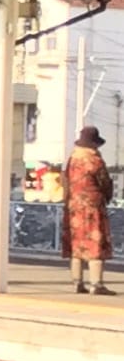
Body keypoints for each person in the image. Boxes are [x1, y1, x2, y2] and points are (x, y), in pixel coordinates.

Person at [64, 122, 112, 296]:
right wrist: (106, 197)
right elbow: (105, 183)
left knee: (76, 244)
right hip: (93, 207)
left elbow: (66, 181)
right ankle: (96, 284)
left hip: (74, 207)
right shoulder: (95, 160)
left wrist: (68, 199)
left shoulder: (72, 160)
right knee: (95, 244)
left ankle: (77, 282)